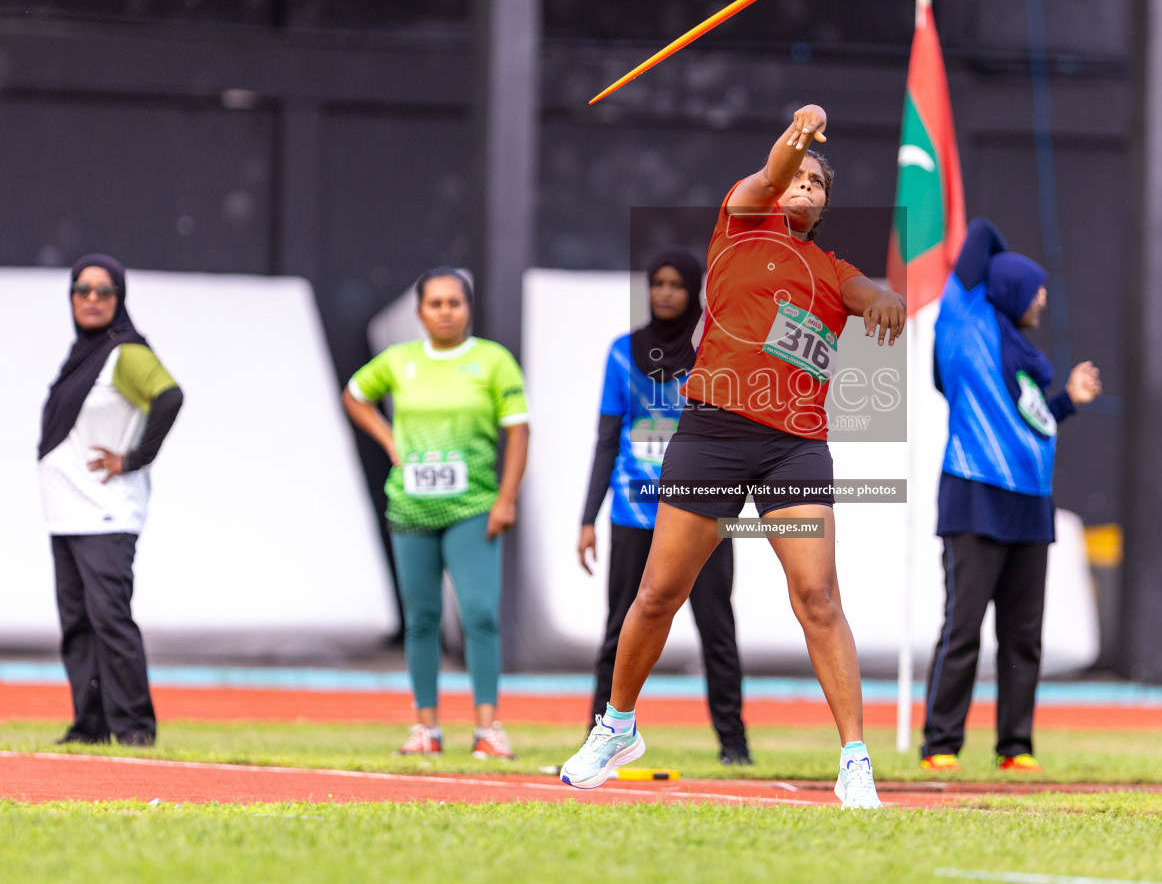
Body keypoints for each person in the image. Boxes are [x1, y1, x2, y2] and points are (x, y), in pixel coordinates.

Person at [559, 103, 905, 808]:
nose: (806, 187)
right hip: (712, 435)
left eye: (819, 184)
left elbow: (869, 292)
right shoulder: (742, 225)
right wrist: (796, 136)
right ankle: (617, 726)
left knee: (818, 596)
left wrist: (885, 300)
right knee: (658, 593)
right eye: (799, 178)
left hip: (794, 448)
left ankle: (855, 758)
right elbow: (771, 171)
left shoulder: (832, 270)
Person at [920, 220, 1101, 773]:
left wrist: (1066, 401)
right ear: (1007, 288)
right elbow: (978, 234)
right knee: (964, 628)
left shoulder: (1021, 354)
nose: (1042, 298)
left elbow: (1032, 422)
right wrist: (997, 253)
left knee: (1023, 636)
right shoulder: (967, 325)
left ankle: (1015, 746)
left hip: (1030, 505)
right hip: (975, 496)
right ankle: (941, 745)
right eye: (1034, 287)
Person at [343, 268, 530, 757]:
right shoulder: (399, 361)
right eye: (436, 304)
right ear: (420, 311)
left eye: (455, 303)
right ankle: (425, 727)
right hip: (411, 508)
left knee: (480, 614)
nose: (446, 311)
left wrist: (506, 498)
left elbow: (518, 432)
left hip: (473, 508)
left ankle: (488, 728)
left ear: (468, 309)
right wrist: (387, 438)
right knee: (421, 618)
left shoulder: (493, 361)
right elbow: (355, 395)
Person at [578, 250, 752, 765]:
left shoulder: (713, 352)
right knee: (619, 630)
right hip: (634, 514)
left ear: (694, 288)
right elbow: (606, 440)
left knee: (717, 631)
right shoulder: (620, 354)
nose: (667, 292)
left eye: (677, 283)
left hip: (703, 514)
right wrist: (587, 518)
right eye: (658, 282)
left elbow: (734, 434)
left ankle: (734, 747)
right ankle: (598, 736)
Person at [38, 254, 184, 747]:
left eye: (104, 291)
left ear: (119, 298)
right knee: (78, 625)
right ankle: (91, 725)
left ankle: (135, 727)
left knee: (109, 620)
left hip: (105, 511)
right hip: (66, 512)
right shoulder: (84, 354)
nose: (92, 299)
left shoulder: (125, 352)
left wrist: (134, 457)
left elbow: (169, 397)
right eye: (83, 289)